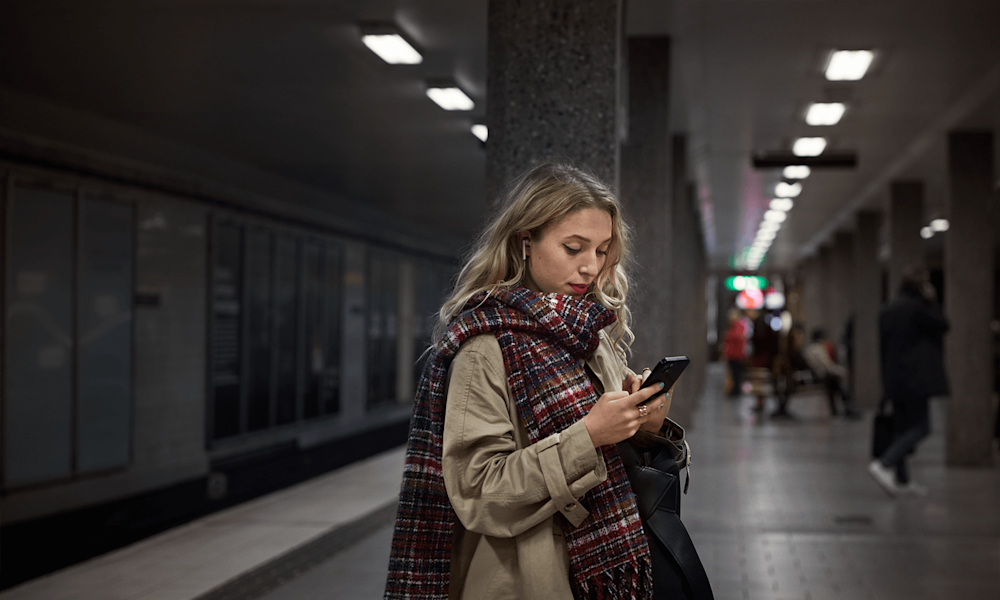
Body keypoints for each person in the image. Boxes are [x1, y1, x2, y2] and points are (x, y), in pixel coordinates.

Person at [383, 163, 713, 599]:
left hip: (600, 571)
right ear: (525, 243)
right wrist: (590, 435)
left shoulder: (591, 336)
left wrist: (644, 427)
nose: (590, 267)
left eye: (601, 250)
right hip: (524, 578)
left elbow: (617, 462)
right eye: (573, 248)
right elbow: (479, 491)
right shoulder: (485, 346)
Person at [868, 266, 949, 497]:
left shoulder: (888, 309)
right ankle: (884, 463)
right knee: (922, 428)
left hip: (895, 379)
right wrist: (931, 300)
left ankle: (903, 481)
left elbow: (884, 348)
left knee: (901, 428)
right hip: (917, 379)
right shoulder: (919, 308)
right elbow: (943, 324)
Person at [802, 329, 859, 419]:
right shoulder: (817, 349)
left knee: (835, 387)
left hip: (820, 374)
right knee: (839, 384)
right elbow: (826, 365)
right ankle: (848, 407)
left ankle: (839, 409)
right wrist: (840, 370)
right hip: (823, 374)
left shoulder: (810, 349)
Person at [722, 309, 748, 398]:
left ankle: (736, 390)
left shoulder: (738, 326)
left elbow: (738, 337)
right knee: (733, 373)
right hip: (732, 354)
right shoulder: (732, 326)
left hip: (737, 355)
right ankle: (734, 389)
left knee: (736, 373)